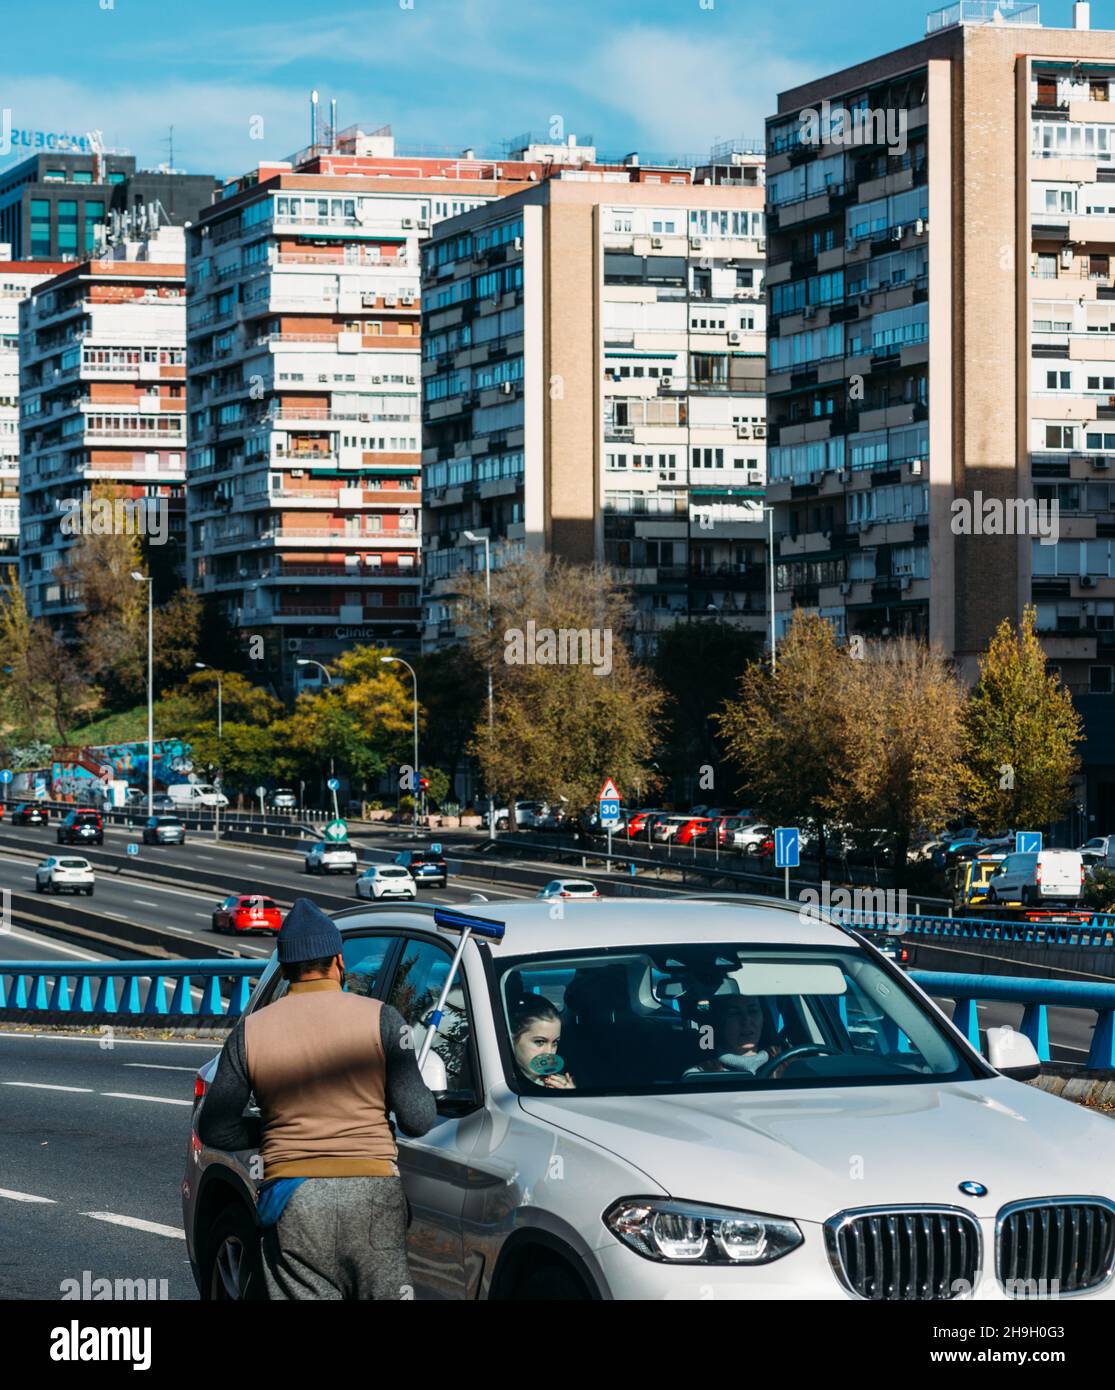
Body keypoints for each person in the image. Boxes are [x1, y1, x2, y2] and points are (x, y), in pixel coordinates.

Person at [198, 897, 438, 1299]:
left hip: (295, 1200)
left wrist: (275, 1129)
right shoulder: (382, 1018)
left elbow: (215, 1127)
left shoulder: (251, 1032)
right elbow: (418, 1118)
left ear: (286, 970)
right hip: (373, 1195)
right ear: (339, 962)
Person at [683, 994, 780, 1078]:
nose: (746, 1020)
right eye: (735, 1013)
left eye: (752, 1011)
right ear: (720, 1021)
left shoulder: (788, 1064)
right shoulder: (698, 1075)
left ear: (764, 1018)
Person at [508, 996, 576, 1090]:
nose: (549, 1053)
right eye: (540, 1042)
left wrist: (569, 1095)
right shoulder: (500, 1084)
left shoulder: (560, 1084)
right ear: (512, 1039)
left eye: (555, 1042)